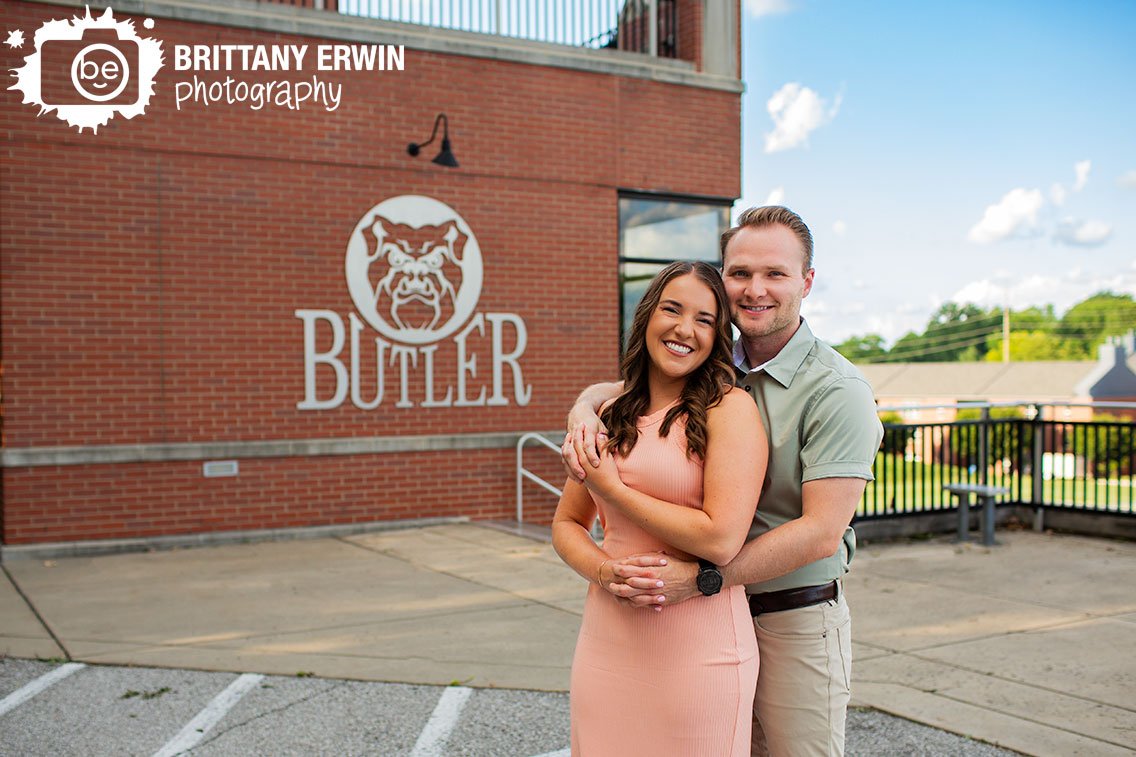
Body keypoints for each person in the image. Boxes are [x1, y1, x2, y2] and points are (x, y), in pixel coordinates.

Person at [563, 206, 883, 757]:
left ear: (806, 282)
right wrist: (585, 405)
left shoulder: (838, 391)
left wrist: (705, 580)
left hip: (791, 617)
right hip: (703, 612)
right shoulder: (719, 368)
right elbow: (630, 390)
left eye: (775, 274)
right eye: (740, 273)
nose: (755, 289)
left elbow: (820, 533)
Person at [552, 260, 767, 756]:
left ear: (717, 338)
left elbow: (721, 538)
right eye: (672, 309)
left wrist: (616, 490)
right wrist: (605, 571)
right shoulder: (608, 414)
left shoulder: (730, 410)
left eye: (705, 319)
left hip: (700, 654)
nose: (683, 329)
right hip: (607, 648)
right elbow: (567, 523)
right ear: (647, 315)